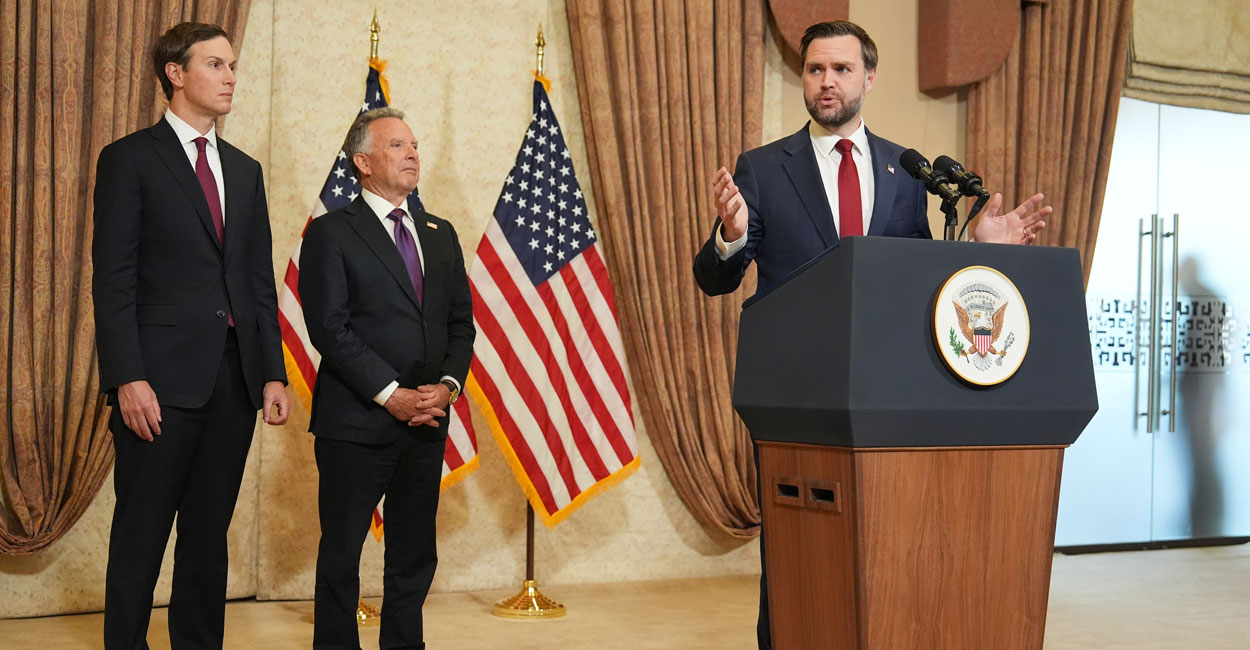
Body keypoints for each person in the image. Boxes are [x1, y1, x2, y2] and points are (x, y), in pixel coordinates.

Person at [691, 21, 1050, 649]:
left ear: (869, 78)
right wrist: (733, 234)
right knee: (798, 554)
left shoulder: (906, 171)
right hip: (795, 395)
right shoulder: (764, 169)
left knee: (887, 550)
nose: (826, 82)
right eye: (815, 70)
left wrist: (977, 251)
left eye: (841, 69)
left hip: (885, 397)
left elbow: (919, 284)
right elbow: (715, 280)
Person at [91, 22, 289, 650]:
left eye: (232, 66)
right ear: (175, 74)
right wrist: (128, 377)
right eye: (216, 64)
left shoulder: (245, 170)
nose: (230, 77)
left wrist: (272, 372)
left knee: (207, 539)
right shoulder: (129, 159)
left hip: (234, 381)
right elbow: (113, 282)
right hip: (157, 382)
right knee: (141, 536)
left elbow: (258, 281)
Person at [299, 107, 474, 650]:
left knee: (414, 555)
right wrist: (390, 394)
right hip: (355, 422)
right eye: (397, 145)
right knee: (341, 555)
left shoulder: (440, 233)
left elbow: (460, 324)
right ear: (363, 161)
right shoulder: (331, 232)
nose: (413, 153)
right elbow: (329, 328)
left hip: (426, 421)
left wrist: (447, 387)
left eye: (414, 144)